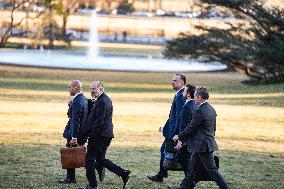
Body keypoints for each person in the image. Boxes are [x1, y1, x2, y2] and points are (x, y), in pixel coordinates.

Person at [172, 87, 229, 189]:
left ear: (199, 97)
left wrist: (179, 136)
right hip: (202, 145)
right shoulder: (211, 108)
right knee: (192, 169)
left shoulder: (200, 111)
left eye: (195, 97)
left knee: (212, 170)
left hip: (202, 146)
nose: (194, 99)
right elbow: (213, 128)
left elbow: (191, 127)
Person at [79, 81, 131, 189]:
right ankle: (123, 173)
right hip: (106, 134)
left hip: (100, 135)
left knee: (89, 159)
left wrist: (91, 135)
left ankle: (92, 186)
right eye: (91, 89)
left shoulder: (102, 101)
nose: (92, 91)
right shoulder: (104, 99)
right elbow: (95, 108)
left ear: (101, 89)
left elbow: (99, 121)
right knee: (100, 159)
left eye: (94, 89)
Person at [148, 74, 186, 182]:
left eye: (175, 81)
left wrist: (176, 133)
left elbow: (179, 116)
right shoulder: (179, 94)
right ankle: (161, 174)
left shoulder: (180, 96)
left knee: (175, 154)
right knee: (165, 151)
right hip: (172, 131)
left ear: (183, 82)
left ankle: (189, 177)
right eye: (172, 81)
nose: (172, 82)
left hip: (174, 132)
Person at [58, 80, 88, 184]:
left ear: (75, 88)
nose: (68, 89)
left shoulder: (78, 101)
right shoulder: (82, 99)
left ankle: (70, 178)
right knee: (72, 154)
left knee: (69, 154)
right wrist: (70, 106)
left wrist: (74, 137)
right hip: (80, 133)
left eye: (69, 87)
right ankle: (71, 177)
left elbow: (76, 121)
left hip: (75, 134)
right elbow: (73, 116)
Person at [175, 84, 197, 175]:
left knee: (183, 160)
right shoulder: (193, 105)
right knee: (185, 160)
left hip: (186, 140)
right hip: (191, 140)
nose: (182, 93)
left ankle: (189, 184)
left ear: (188, 94)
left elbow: (184, 125)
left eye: (184, 91)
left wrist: (181, 141)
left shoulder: (187, 106)